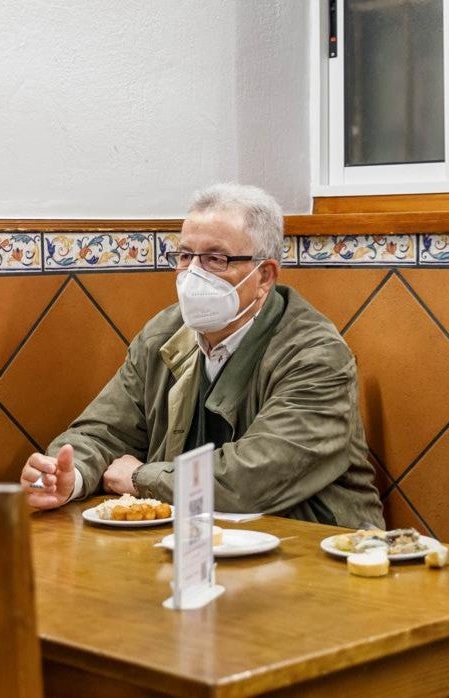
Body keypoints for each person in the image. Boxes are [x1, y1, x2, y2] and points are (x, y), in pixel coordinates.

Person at [19, 183, 383, 527]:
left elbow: (249, 480)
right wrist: (69, 475)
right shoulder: (164, 334)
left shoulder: (316, 356)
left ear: (265, 276)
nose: (192, 273)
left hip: (317, 552)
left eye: (215, 259)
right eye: (185, 255)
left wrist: (140, 478)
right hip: (194, 547)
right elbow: (103, 430)